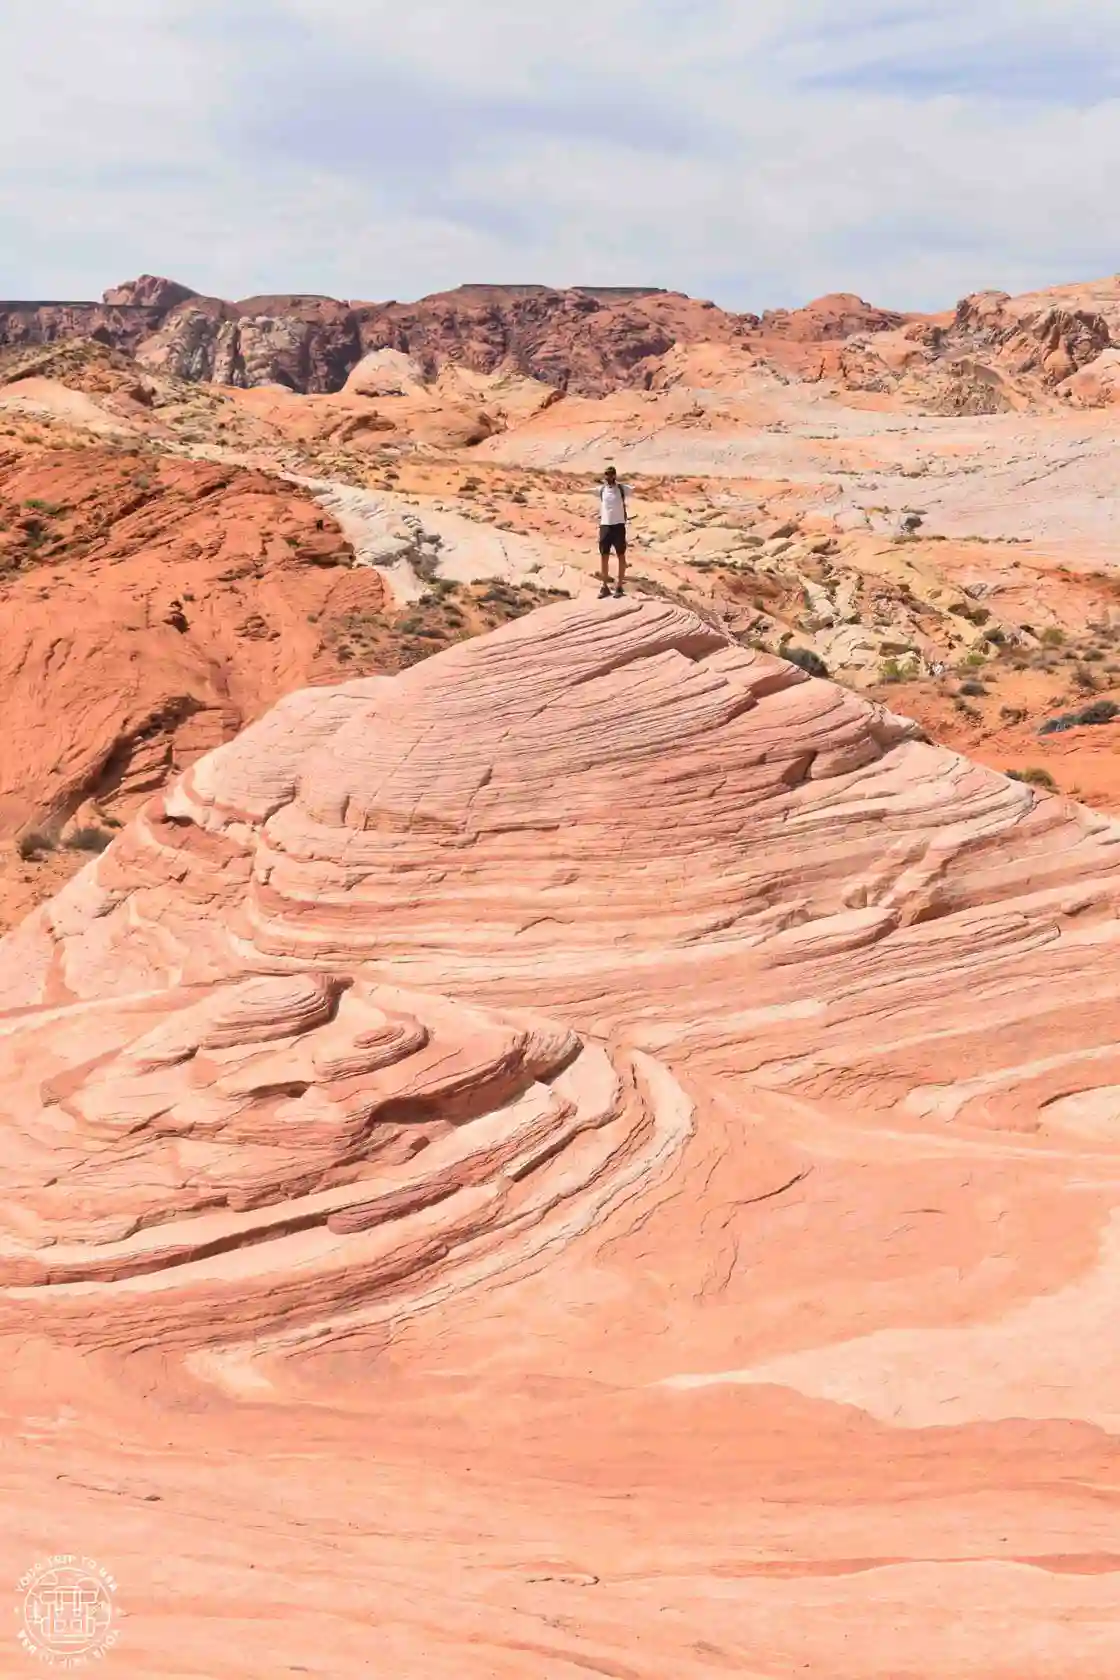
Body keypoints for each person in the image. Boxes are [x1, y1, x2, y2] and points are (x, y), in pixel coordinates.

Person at [596, 466, 630, 597]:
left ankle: (619, 586)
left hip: (618, 526)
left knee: (621, 555)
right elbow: (581, 491)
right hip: (605, 526)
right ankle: (604, 586)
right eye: (607, 475)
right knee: (604, 556)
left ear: (615, 475)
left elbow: (642, 489)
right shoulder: (601, 489)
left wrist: (659, 483)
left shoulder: (622, 488)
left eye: (611, 474)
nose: (609, 477)